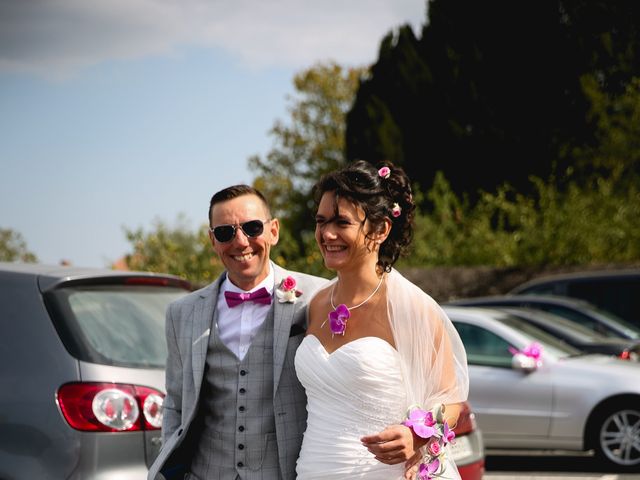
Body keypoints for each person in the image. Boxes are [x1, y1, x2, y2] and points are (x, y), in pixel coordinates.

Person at [294, 160, 470, 479]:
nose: (327, 233)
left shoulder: (412, 308)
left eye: (341, 222)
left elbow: (452, 402)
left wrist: (417, 435)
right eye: (321, 221)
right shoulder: (316, 303)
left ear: (380, 229)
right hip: (314, 469)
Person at [147, 184, 329, 480]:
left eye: (252, 227)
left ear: (273, 231)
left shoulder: (316, 297)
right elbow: (176, 402)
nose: (241, 242)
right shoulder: (182, 313)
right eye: (225, 233)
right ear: (212, 240)